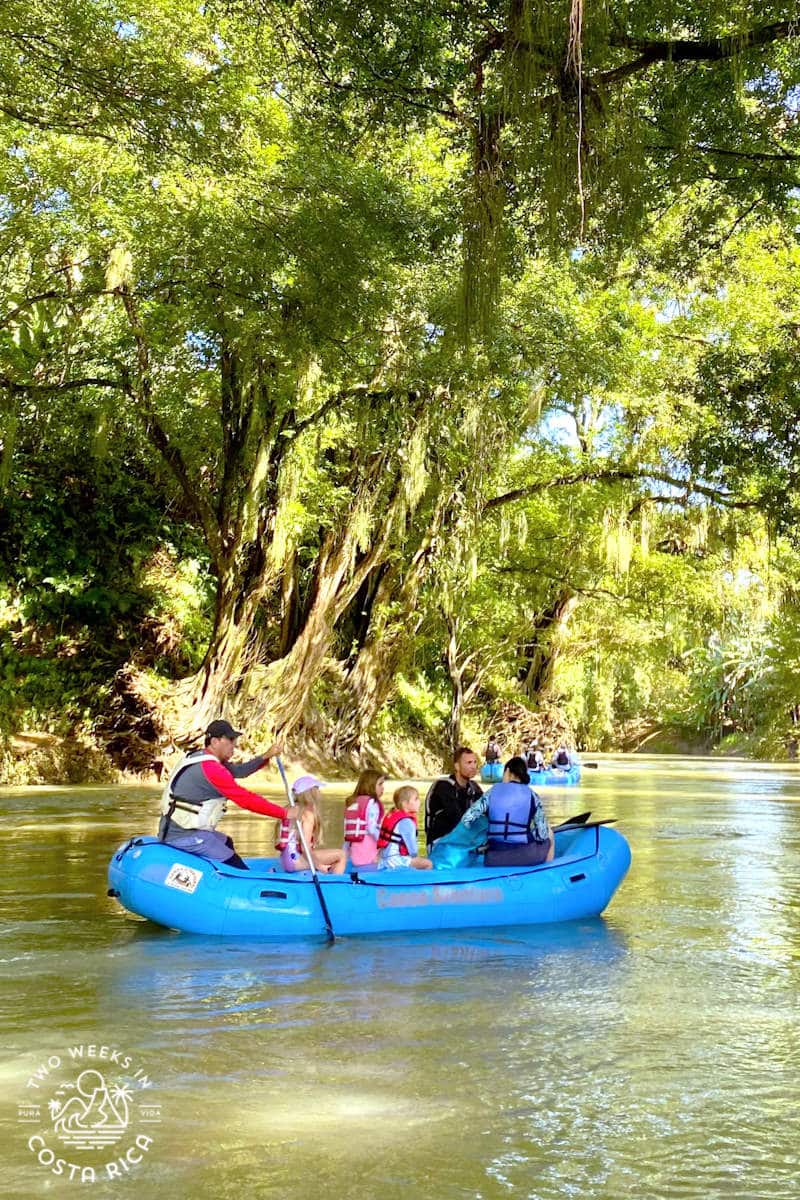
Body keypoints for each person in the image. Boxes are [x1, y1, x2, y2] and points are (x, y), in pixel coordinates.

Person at [158, 719, 294, 870]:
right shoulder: (212, 769)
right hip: (184, 836)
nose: (234, 745)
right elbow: (246, 800)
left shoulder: (199, 757)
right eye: (230, 740)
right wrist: (284, 813)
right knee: (235, 864)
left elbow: (240, 771)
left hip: (174, 831)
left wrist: (266, 756)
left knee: (226, 842)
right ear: (215, 741)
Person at [483, 755, 553, 867]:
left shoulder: (491, 793)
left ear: (508, 771)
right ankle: (548, 869)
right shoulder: (532, 795)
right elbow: (542, 835)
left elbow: (469, 818)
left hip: (493, 859)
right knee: (549, 832)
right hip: (524, 856)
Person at [277, 776, 346, 874]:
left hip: (285, 859)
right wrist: (319, 865)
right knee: (341, 855)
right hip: (296, 861)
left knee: (325, 856)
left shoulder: (289, 809)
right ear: (311, 793)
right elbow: (304, 848)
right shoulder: (307, 814)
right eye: (317, 789)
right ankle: (334, 885)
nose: (319, 793)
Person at [424, 747, 483, 848]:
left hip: (464, 841)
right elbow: (456, 818)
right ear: (457, 766)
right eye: (468, 763)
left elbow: (485, 810)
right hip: (441, 842)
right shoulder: (443, 786)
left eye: (474, 762)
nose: (473, 766)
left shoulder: (474, 787)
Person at [377, 786, 433, 870]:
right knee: (428, 864)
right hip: (395, 860)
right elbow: (413, 850)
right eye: (416, 799)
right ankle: (421, 881)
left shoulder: (393, 815)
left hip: (384, 858)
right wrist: (417, 858)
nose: (419, 801)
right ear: (405, 804)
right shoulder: (407, 822)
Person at [342, 769, 386, 868]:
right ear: (370, 785)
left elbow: (347, 828)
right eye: (380, 784)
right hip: (368, 848)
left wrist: (345, 850)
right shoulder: (372, 803)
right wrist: (383, 841)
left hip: (354, 849)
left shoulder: (352, 801)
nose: (383, 787)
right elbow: (371, 828)